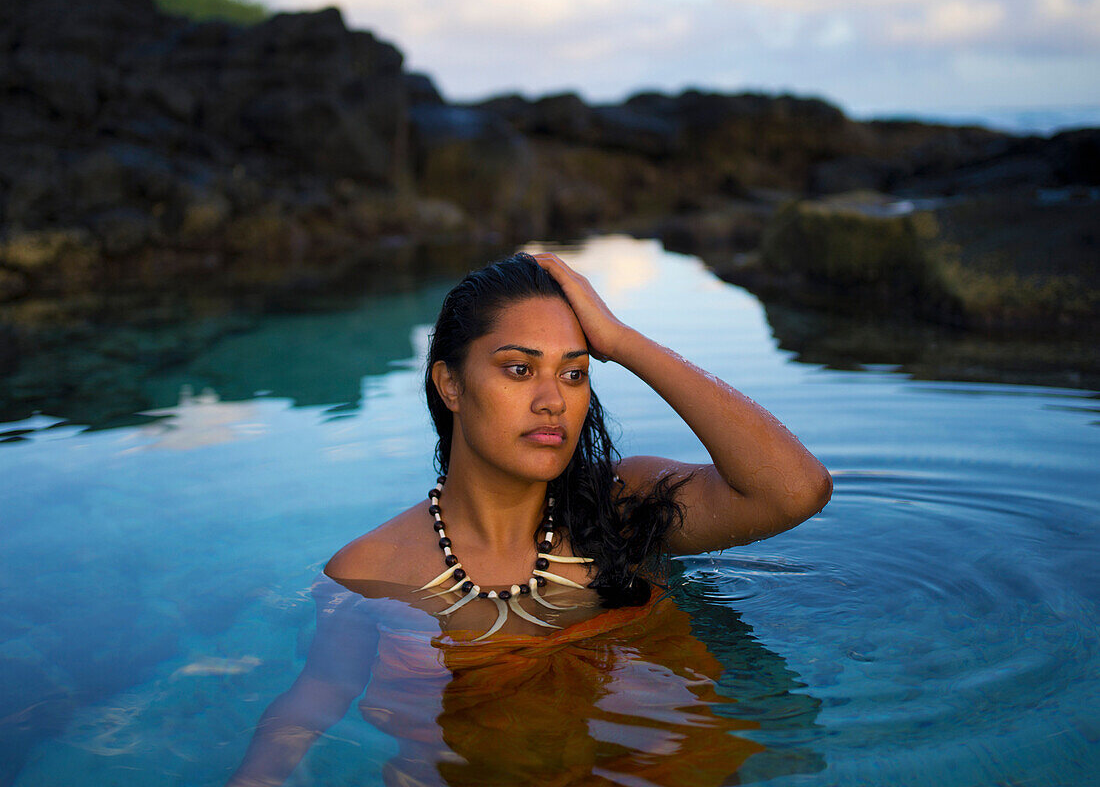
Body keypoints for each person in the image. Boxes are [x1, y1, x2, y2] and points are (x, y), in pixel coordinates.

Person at [228, 251, 831, 787]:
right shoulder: (365, 572)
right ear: (450, 384)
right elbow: (305, 713)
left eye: (574, 373)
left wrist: (620, 341)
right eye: (519, 369)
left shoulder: (622, 506)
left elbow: (795, 492)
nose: (553, 400)